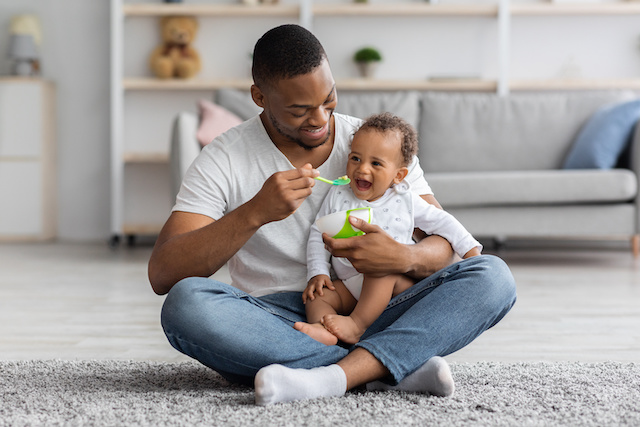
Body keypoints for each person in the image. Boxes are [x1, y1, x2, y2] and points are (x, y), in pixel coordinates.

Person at [148, 24, 517, 406]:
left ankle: (330, 374)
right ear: (259, 96)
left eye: (329, 99)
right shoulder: (224, 158)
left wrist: (403, 256)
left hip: (381, 300)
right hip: (276, 318)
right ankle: (384, 367)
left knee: (494, 277)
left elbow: (444, 245)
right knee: (185, 304)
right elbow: (163, 273)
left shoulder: (374, 144)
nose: (320, 119)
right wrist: (254, 212)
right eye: (299, 110)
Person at [297, 113, 483, 346]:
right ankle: (321, 329)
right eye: (355, 158)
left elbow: (443, 222)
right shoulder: (338, 193)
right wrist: (318, 272)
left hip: (393, 283)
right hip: (351, 284)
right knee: (317, 296)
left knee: (380, 265)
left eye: (375, 163)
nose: (362, 169)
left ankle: (356, 326)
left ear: (398, 175)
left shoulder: (404, 199)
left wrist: (471, 253)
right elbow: (318, 232)